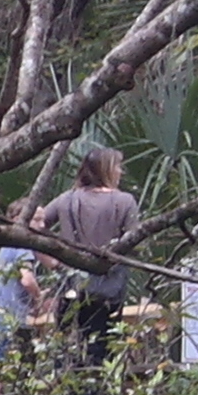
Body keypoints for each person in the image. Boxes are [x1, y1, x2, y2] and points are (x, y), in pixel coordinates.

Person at [34, 143, 144, 366]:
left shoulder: (67, 199)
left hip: (70, 288)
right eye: (117, 167)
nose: (121, 172)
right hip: (108, 293)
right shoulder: (124, 201)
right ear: (105, 170)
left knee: (67, 352)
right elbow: (136, 241)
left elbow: (33, 225)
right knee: (100, 354)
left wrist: (53, 263)